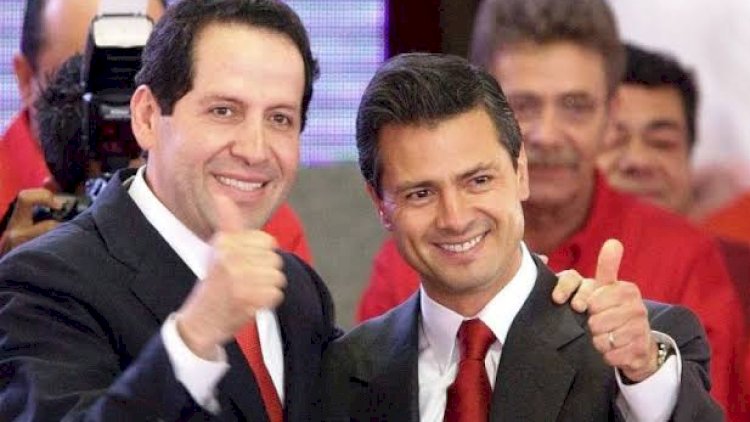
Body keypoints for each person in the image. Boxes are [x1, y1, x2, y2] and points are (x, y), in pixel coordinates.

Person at [356, 0, 743, 414]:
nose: (546, 134)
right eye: (523, 106)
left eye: (575, 106)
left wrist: (645, 369)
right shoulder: (417, 256)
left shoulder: (682, 257)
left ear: (611, 113)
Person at [0, 1, 339, 420]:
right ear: (146, 117)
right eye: (223, 111)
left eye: (280, 119)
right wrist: (195, 336)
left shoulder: (299, 290)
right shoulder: (44, 280)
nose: (255, 150)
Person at [0, 0, 312, 264]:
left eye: (146, 67)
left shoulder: (242, 198)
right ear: (25, 78)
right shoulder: (26, 263)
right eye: (89, 71)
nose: (124, 97)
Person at [596, 43, 750, 420]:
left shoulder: (739, 272)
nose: (637, 161)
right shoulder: (534, 259)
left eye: (662, 143)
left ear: (690, 159)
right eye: (615, 140)